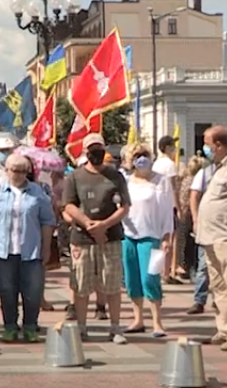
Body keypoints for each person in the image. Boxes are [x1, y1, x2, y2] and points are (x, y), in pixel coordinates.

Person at [0, 153, 55, 343]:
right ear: (6, 171)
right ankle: (9, 326)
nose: (18, 175)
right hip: (3, 250)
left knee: (33, 291)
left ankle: (30, 326)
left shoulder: (37, 192)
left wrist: (46, 247)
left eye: (22, 171)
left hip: (31, 251)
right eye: (14, 171)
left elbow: (47, 221)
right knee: (7, 291)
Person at [62, 133, 131, 344]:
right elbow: (68, 205)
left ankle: (115, 327)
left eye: (99, 149)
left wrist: (104, 225)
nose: (96, 154)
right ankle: (82, 327)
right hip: (82, 238)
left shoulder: (115, 176)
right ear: (85, 152)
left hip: (110, 237)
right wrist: (87, 223)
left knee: (111, 283)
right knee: (81, 284)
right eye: (92, 150)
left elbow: (125, 207)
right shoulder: (74, 176)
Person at [119, 144, 174, 337]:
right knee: (132, 280)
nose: (141, 159)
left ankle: (157, 322)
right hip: (128, 236)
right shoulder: (125, 181)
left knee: (150, 279)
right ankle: (138, 319)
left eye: (144, 155)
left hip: (153, 237)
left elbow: (168, 211)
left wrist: (167, 236)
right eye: (136, 156)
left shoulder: (161, 181)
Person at [195, 125, 227, 350]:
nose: (204, 148)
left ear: (218, 145)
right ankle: (223, 329)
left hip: (223, 236)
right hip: (209, 236)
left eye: (207, 143)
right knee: (218, 286)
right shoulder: (217, 168)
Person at [154, 136, 184, 283]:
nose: (175, 149)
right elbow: (174, 188)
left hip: (156, 205)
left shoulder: (156, 163)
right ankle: (166, 273)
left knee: (157, 240)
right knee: (170, 239)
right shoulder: (170, 165)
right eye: (173, 146)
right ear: (167, 148)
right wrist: (178, 208)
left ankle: (155, 271)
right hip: (168, 205)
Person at [186, 155, 213, 315]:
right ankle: (199, 300)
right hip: (206, 225)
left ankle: (219, 301)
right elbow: (194, 196)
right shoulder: (205, 173)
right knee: (203, 265)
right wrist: (195, 220)